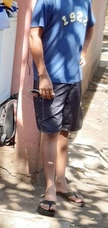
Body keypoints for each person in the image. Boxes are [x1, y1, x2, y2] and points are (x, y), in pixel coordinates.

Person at [29, 0, 95, 217]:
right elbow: (33, 36)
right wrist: (43, 76)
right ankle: (49, 190)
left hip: (73, 80)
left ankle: (60, 181)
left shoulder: (84, 2)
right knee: (50, 133)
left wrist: (83, 53)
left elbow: (90, 27)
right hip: (52, 80)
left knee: (65, 130)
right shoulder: (47, 1)